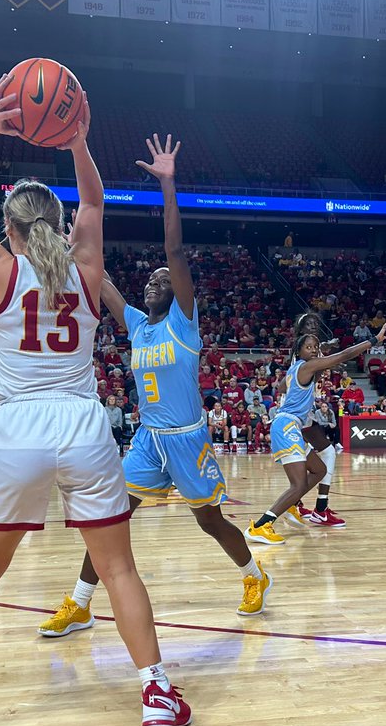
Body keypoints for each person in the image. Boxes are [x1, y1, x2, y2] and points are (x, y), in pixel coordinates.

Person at [0, 79, 189, 726]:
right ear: (56, 223)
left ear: (9, 228)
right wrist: (77, 140)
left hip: (17, 426)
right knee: (119, 567)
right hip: (81, 421)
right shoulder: (85, 268)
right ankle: (155, 690)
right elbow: (94, 198)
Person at [38, 132, 271, 633]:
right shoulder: (140, 324)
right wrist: (66, 246)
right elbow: (98, 281)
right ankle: (80, 602)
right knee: (111, 517)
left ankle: (254, 576)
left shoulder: (183, 321)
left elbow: (176, 247)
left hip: (187, 438)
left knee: (209, 520)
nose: (154, 282)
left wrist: (169, 186)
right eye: (151, 280)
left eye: (163, 280)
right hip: (148, 439)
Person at [248, 320, 386, 547]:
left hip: (291, 425)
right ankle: (261, 525)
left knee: (319, 469)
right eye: (309, 347)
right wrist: (373, 341)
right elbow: (343, 356)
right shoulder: (305, 367)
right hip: (287, 427)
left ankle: (294, 504)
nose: (313, 350)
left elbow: (281, 387)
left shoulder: (296, 369)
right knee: (297, 484)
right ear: (299, 351)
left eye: (316, 347)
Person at [290, 312, 347, 528]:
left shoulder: (308, 348)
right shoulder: (304, 352)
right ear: (301, 329)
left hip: (301, 410)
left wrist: (327, 348)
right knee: (327, 452)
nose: (314, 326)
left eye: (316, 323)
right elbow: (318, 363)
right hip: (298, 411)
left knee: (300, 459)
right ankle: (320, 509)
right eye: (309, 324)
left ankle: (295, 503)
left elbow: (319, 354)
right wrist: (332, 358)